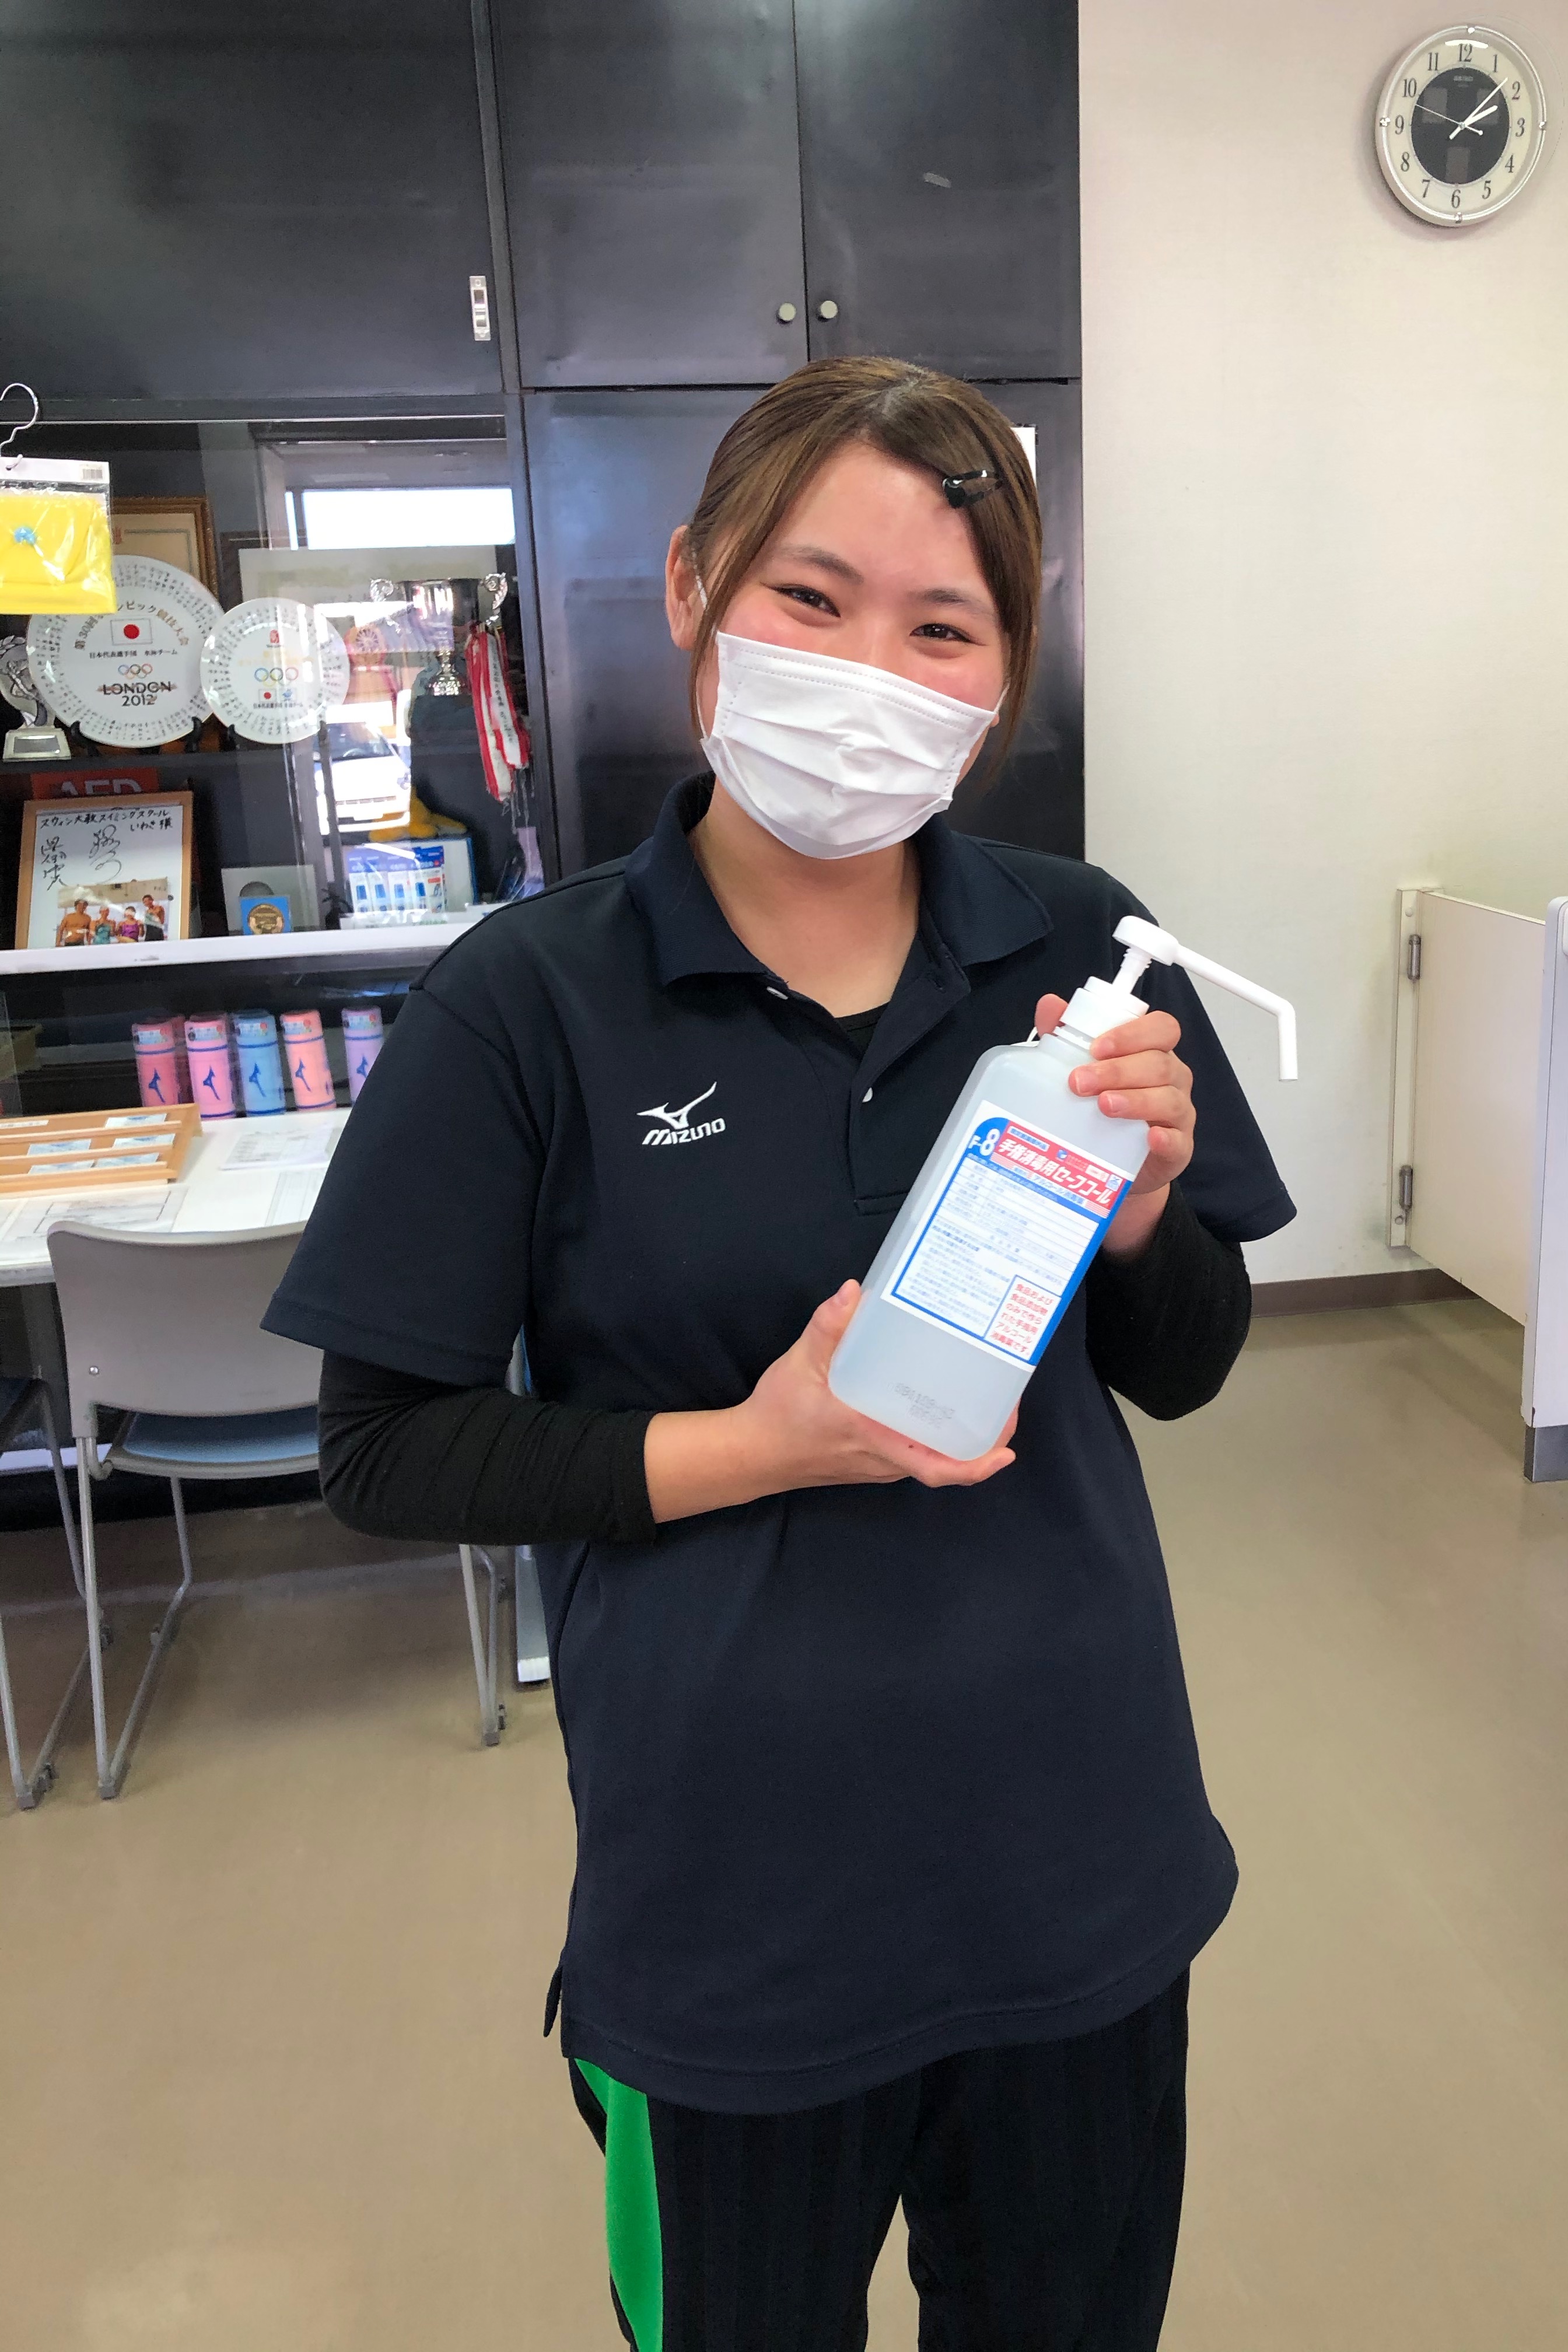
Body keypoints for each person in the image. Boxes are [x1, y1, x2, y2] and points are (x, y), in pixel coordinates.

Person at [264, 358, 1294, 2351]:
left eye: (943, 628)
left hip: (1079, 1866)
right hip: (735, 1918)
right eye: (810, 600)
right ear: (693, 588)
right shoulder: (527, 1001)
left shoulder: (1077, 943)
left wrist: (1148, 1216)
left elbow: (1184, 1369)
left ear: (1003, 674)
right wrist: (759, 1444)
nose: (868, 672)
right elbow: (384, 1447)